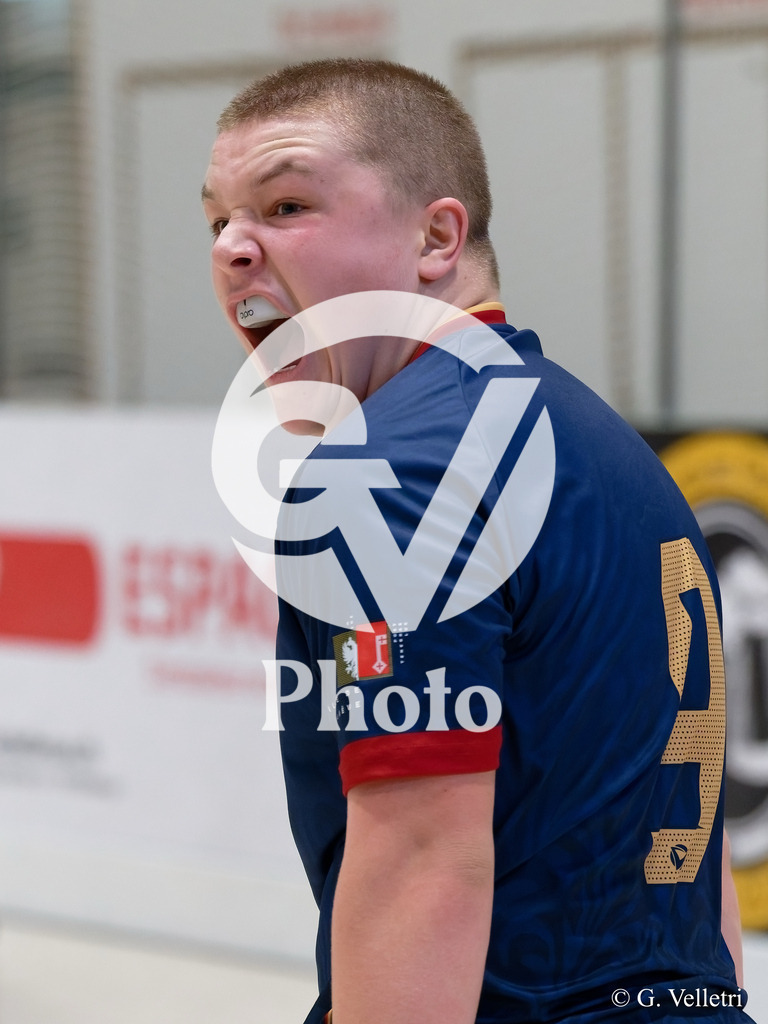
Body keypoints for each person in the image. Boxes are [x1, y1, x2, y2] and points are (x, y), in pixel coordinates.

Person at [202, 58, 752, 1024]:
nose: (235, 249)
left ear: (436, 236)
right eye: (217, 220)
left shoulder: (395, 472)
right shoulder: (607, 450)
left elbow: (423, 864)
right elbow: (701, 877)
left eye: (286, 205)